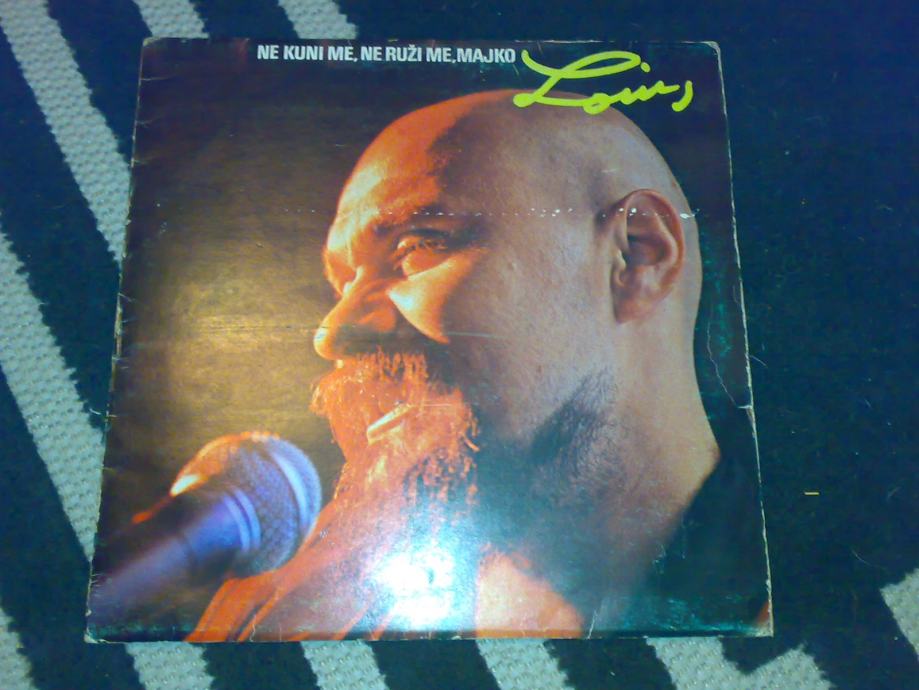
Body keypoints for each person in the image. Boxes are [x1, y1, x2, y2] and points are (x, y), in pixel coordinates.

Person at [189, 90, 766, 641]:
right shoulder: (291, 609)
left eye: (419, 244)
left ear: (636, 256)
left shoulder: (803, 601)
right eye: (343, 283)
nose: (331, 334)